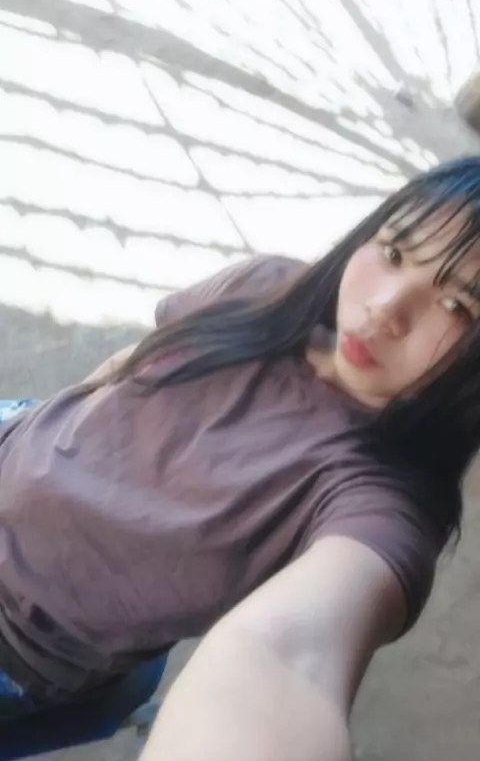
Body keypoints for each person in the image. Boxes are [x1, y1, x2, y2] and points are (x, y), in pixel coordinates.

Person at [1, 158, 480, 757]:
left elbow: (289, 657)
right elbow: (128, 368)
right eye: (393, 252)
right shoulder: (266, 288)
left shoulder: (379, 499)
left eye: (457, 306)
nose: (385, 307)